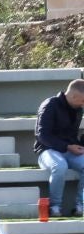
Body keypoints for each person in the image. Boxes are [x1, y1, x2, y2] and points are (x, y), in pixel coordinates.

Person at [34, 78, 84, 218]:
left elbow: (72, 135)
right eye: (83, 100)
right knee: (59, 166)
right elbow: (42, 136)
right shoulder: (49, 105)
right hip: (47, 150)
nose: (83, 104)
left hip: (68, 150)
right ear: (73, 96)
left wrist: (79, 146)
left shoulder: (77, 109)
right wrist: (67, 146)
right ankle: (55, 206)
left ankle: (80, 206)